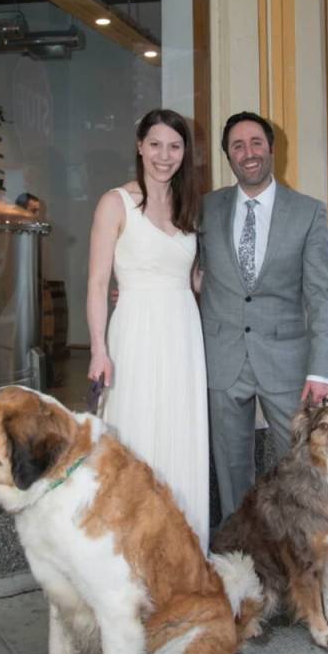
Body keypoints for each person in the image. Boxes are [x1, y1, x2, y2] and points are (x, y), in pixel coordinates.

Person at [202, 111, 328, 616]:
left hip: (289, 363)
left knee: (297, 477)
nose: (247, 152)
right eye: (237, 146)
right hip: (223, 358)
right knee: (231, 472)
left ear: (272, 149)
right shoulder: (208, 208)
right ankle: (241, 575)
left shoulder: (307, 212)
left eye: (255, 142)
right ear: (229, 156)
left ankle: (312, 574)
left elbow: (322, 296)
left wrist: (319, 370)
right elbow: (188, 267)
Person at [86, 108, 209, 552]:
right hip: (135, 334)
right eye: (155, 144)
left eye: (175, 147)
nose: (165, 155)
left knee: (180, 439)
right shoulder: (114, 202)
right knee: (136, 437)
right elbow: (98, 283)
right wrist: (99, 349)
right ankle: (130, 559)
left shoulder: (189, 207)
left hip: (183, 337)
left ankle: (181, 560)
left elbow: (194, 281)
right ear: (140, 146)